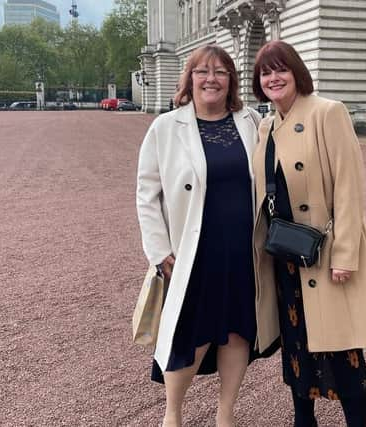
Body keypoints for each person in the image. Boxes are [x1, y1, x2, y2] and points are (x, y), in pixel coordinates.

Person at [136, 44, 262, 427]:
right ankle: (172, 415)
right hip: (194, 251)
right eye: (203, 71)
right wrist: (159, 251)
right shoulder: (166, 126)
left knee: (238, 332)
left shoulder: (251, 121)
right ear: (189, 79)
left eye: (221, 72)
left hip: (242, 249)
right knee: (190, 334)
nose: (212, 79)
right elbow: (147, 193)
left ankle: (226, 414)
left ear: (231, 80)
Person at [251, 40, 366, 427]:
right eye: (265, 72)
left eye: (280, 69)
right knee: (296, 343)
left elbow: (349, 188)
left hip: (322, 252)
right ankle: (303, 419)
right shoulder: (267, 125)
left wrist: (345, 254)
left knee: (341, 347)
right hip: (284, 253)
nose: (273, 78)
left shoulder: (328, 112)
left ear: (297, 72)